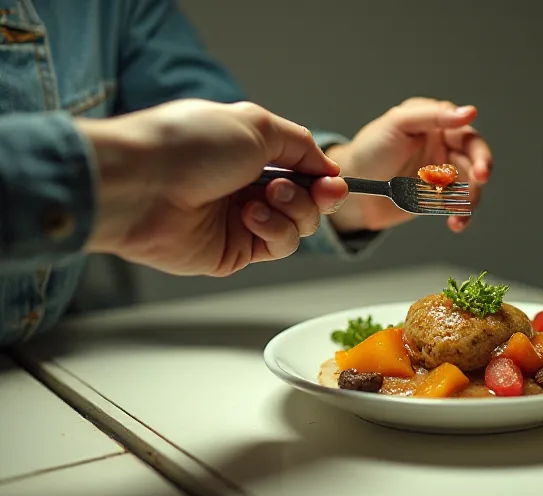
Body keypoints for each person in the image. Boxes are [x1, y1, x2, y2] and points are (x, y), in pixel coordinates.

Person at [0, 0, 493, 346]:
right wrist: (132, 183)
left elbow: (216, 127)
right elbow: (184, 153)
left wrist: (351, 179)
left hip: (65, 358)